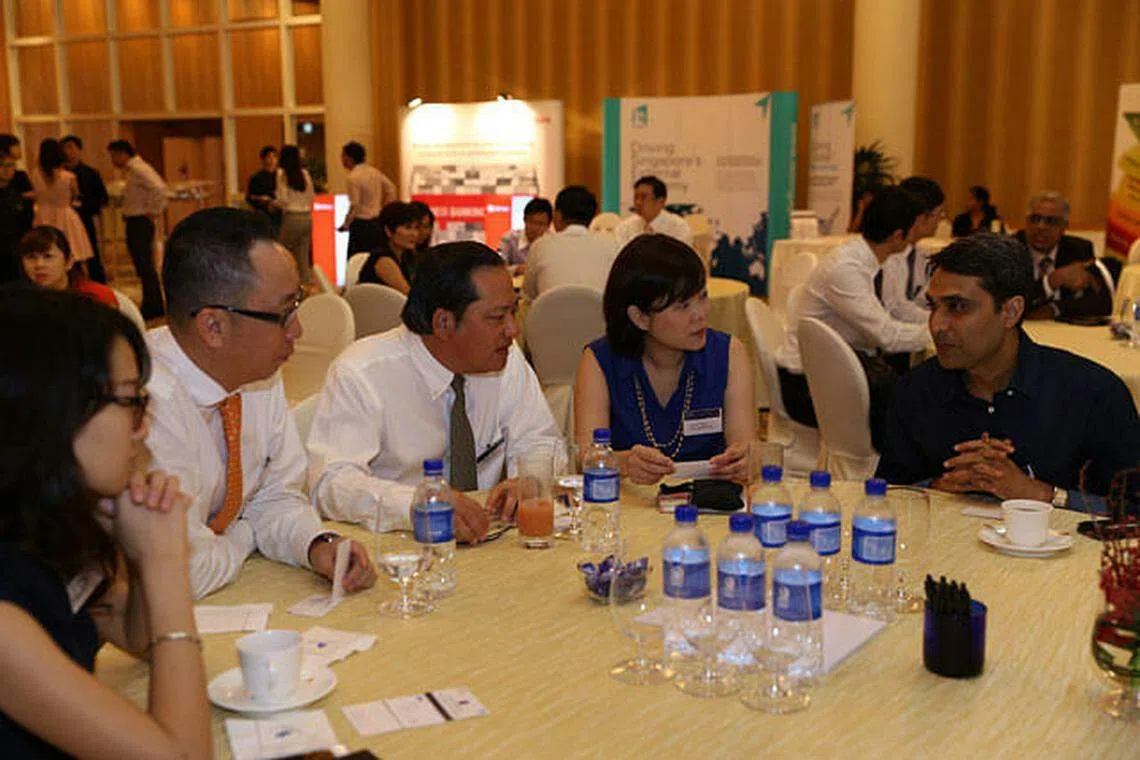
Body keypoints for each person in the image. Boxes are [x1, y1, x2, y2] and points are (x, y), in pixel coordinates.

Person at [0, 287, 210, 759]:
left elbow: (136, 636)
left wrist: (137, 555)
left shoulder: (36, 524)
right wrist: (165, 561)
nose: (144, 426)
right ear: (54, 413)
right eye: (131, 401)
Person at [147, 207, 375, 599]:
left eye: (298, 304)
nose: (298, 330)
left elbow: (278, 494)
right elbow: (185, 571)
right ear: (214, 326)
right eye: (284, 313)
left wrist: (316, 544)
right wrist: (246, 532)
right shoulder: (144, 404)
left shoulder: (256, 375)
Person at [308, 241, 562, 539]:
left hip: (491, 539)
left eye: (513, 313)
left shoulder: (506, 359)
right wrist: (419, 504)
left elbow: (541, 440)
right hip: (399, 543)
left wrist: (529, 481)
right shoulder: (362, 373)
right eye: (497, 317)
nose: (513, 330)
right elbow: (331, 482)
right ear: (443, 322)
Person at [878, 234, 1140, 508]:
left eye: (957, 306)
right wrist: (936, 488)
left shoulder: (1091, 394)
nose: (937, 325)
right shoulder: (917, 390)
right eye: (934, 306)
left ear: (1011, 312)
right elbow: (886, 498)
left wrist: (1043, 495)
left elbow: (1132, 508)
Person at [574, 234, 755, 485]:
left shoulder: (729, 353)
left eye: (702, 297)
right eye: (683, 306)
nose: (700, 315)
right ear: (640, 317)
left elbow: (747, 446)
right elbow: (586, 459)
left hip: (709, 502)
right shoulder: (599, 361)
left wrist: (744, 460)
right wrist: (624, 463)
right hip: (629, 502)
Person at [776, 186, 931, 452]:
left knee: (912, 391)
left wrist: (935, 322)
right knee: (909, 403)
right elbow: (886, 336)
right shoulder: (846, 269)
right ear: (898, 235)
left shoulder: (876, 260)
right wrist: (938, 332)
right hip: (809, 384)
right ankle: (889, 467)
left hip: (839, 368)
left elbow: (897, 310)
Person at [1015, 191, 1113, 320]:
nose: (1041, 226)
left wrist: (1055, 309)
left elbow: (1103, 304)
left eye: (1051, 221)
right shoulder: (1011, 249)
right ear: (1026, 222)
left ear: (1064, 227)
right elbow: (1007, 303)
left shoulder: (1079, 250)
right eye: (1035, 219)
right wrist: (1051, 281)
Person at [523, 185, 619, 300]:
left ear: (558, 215)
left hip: (551, 311)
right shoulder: (612, 245)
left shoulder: (540, 246)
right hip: (598, 311)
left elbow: (528, 294)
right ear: (592, 216)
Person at [108, 139, 168, 320]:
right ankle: (152, 303)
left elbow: (160, 188)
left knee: (144, 265)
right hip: (136, 219)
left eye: (113, 155)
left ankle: (154, 305)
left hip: (140, 220)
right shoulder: (133, 170)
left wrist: (153, 210)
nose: (112, 160)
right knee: (142, 265)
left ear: (122, 153)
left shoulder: (138, 169)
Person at [878, 176, 946, 326]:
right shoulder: (889, 255)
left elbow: (921, 301)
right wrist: (944, 322)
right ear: (922, 217)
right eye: (939, 213)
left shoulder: (920, 255)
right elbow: (896, 310)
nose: (941, 220)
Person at [31, 138, 94, 269]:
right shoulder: (68, 176)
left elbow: (35, 194)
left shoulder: (35, 175)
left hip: (42, 215)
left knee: (44, 250)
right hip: (65, 214)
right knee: (72, 250)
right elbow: (75, 196)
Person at [19, 225, 117, 307]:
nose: (39, 265)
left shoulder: (97, 297)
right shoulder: (19, 303)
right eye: (31, 257)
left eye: (48, 256)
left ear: (69, 261)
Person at [61, 135, 110, 284]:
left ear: (79, 150)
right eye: (64, 148)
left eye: (71, 147)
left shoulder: (90, 173)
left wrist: (85, 204)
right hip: (65, 220)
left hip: (85, 217)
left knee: (92, 255)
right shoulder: (58, 174)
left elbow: (102, 198)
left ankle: (100, 286)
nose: (67, 151)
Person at [338, 141, 397, 256]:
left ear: (349, 158)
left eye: (343, 156)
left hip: (361, 224)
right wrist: (384, 209)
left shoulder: (353, 177)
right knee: (375, 256)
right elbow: (392, 189)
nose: (342, 160)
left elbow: (355, 204)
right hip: (376, 222)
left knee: (358, 258)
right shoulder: (374, 172)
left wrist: (346, 224)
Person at [356, 200, 421, 292]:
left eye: (416, 228)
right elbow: (409, 293)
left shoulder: (406, 257)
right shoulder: (384, 260)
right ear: (388, 231)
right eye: (408, 227)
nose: (414, 234)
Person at [614, 175, 694, 249]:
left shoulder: (678, 227)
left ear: (661, 201)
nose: (638, 202)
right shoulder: (625, 227)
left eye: (643, 197)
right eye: (636, 197)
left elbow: (682, 257)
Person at [273, 145, 315, 285]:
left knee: (282, 254)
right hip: (307, 217)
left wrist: (273, 202)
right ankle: (306, 287)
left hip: (292, 217)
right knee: (303, 258)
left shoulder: (281, 174)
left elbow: (283, 199)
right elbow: (312, 197)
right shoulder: (305, 174)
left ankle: (284, 285)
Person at [0, 152, 33, 284]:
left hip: (16, 245)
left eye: (12, 166)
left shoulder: (15, 192)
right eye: (5, 166)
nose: (10, 170)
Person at [498, 196, 552, 274]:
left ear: (548, 226)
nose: (535, 228)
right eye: (532, 222)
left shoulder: (553, 242)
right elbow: (498, 268)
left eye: (540, 224)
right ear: (524, 219)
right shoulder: (509, 239)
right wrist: (516, 269)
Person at [246, 145, 280, 232]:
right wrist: (262, 200)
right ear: (263, 159)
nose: (272, 160)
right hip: (263, 213)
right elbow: (249, 197)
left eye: (274, 157)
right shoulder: (256, 177)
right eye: (269, 157)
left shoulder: (282, 176)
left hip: (280, 212)